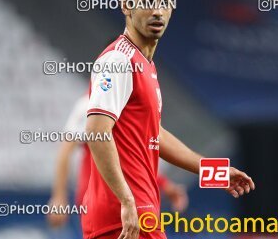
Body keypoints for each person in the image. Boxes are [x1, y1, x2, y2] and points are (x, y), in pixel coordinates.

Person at [78, 0, 255, 239]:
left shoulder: (144, 65)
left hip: (110, 220)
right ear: (126, 7)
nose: (157, 11)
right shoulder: (119, 60)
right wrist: (127, 201)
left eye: (164, 2)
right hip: (132, 217)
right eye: (147, 2)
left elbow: (153, 134)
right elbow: (96, 131)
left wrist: (214, 170)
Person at [47, 94, 189, 228]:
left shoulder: (130, 104)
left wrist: (165, 185)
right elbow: (65, 150)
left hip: (128, 201)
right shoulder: (91, 103)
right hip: (104, 201)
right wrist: (59, 197)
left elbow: (131, 159)